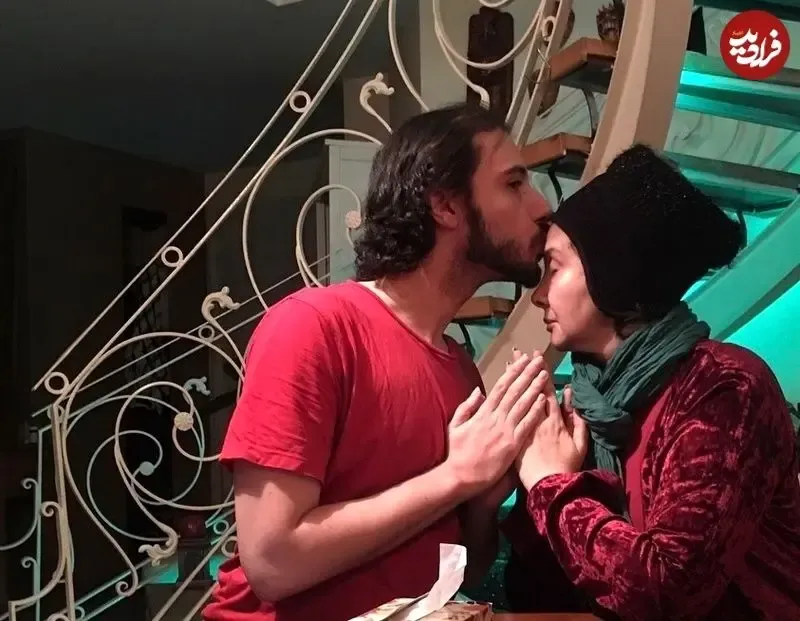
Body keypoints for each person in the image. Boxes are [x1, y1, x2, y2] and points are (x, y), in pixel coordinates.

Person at [203, 103, 555, 621]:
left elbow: (463, 571)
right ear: (446, 205)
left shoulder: (460, 368)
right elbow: (272, 562)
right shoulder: (312, 326)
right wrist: (457, 476)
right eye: (514, 184)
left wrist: (482, 502)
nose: (541, 205)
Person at [505, 144, 800, 620]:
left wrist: (551, 485)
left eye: (553, 268)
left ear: (613, 271)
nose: (538, 295)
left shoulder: (724, 388)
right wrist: (518, 475)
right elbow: (539, 594)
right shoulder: (586, 402)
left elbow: (665, 592)